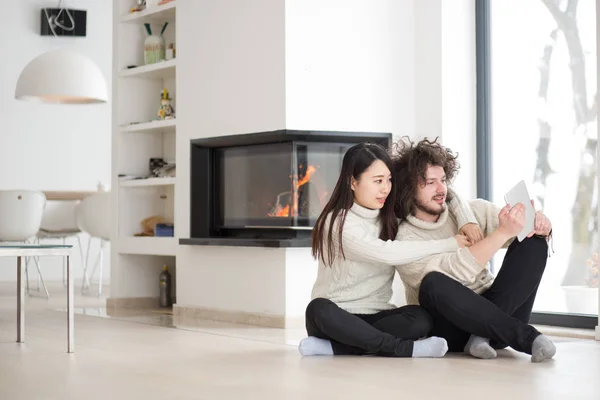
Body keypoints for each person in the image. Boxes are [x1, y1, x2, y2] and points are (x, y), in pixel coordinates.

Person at [299, 142, 482, 358]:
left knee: (421, 318)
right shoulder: (337, 222)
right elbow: (385, 252)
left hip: (377, 315)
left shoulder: (390, 215)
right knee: (318, 309)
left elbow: (446, 193)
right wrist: (449, 243)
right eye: (377, 181)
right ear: (353, 182)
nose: (385, 188)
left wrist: (467, 221)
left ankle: (336, 348)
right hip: (337, 317)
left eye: (388, 180)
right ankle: (405, 349)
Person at [391, 137, 556, 362]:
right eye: (430, 183)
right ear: (409, 189)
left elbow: (519, 230)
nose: (441, 189)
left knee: (533, 241)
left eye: (442, 180)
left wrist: (539, 223)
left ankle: (482, 336)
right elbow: (454, 272)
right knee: (433, 283)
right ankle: (525, 337)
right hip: (455, 330)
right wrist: (502, 233)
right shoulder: (404, 241)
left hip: (501, 315)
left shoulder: (472, 211)